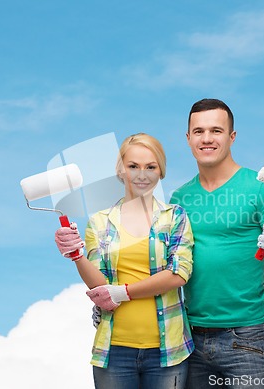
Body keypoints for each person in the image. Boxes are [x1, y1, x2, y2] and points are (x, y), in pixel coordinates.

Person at [170, 98, 264, 389]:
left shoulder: (263, 188)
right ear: (188, 138)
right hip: (188, 337)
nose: (207, 139)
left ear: (232, 137)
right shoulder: (179, 199)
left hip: (245, 338)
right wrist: (121, 301)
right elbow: (167, 265)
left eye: (216, 131)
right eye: (199, 131)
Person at [54, 133, 194, 389]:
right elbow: (100, 287)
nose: (142, 174)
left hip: (168, 352)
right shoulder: (100, 222)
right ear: (120, 170)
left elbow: (178, 274)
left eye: (150, 167)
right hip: (114, 351)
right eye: (133, 166)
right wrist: (76, 255)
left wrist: (122, 292)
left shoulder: (175, 217)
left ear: (160, 171)